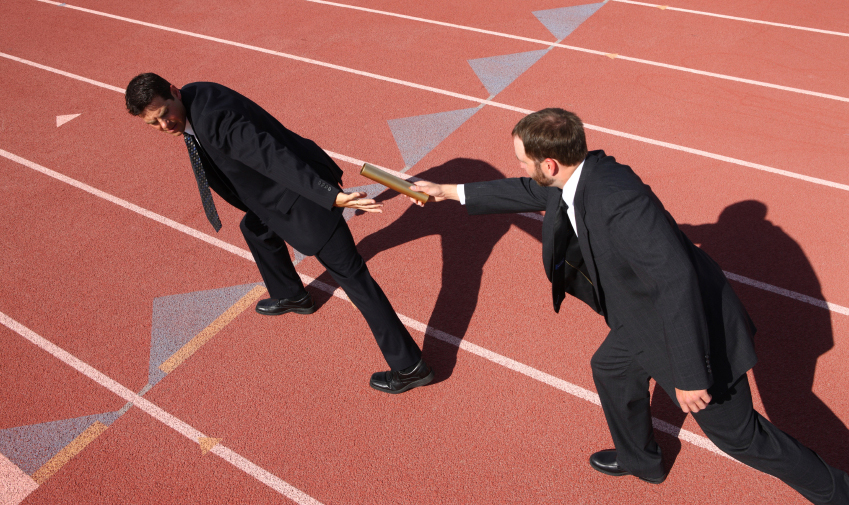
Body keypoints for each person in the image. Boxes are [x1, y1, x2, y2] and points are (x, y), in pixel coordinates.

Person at [409, 108, 849, 503]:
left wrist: (692, 376)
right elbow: (530, 191)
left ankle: (837, 492)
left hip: (695, 331)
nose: (520, 166)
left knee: (742, 437)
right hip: (639, 317)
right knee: (613, 370)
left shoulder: (618, 199)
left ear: (550, 162)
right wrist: (446, 191)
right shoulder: (579, 175)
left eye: (523, 158)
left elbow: (677, 283)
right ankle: (641, 460)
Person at [124, 73, 432, 394]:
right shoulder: (193, 97)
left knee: (355, 279)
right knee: (255, 228)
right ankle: (292, 295)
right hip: (270, 198)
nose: (164, 127)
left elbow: (269, 154)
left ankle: (410, 366)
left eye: (164, 116)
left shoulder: (214, 119)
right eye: (153, 125)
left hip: (304, 198)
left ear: (173, 91)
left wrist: (327, 195)